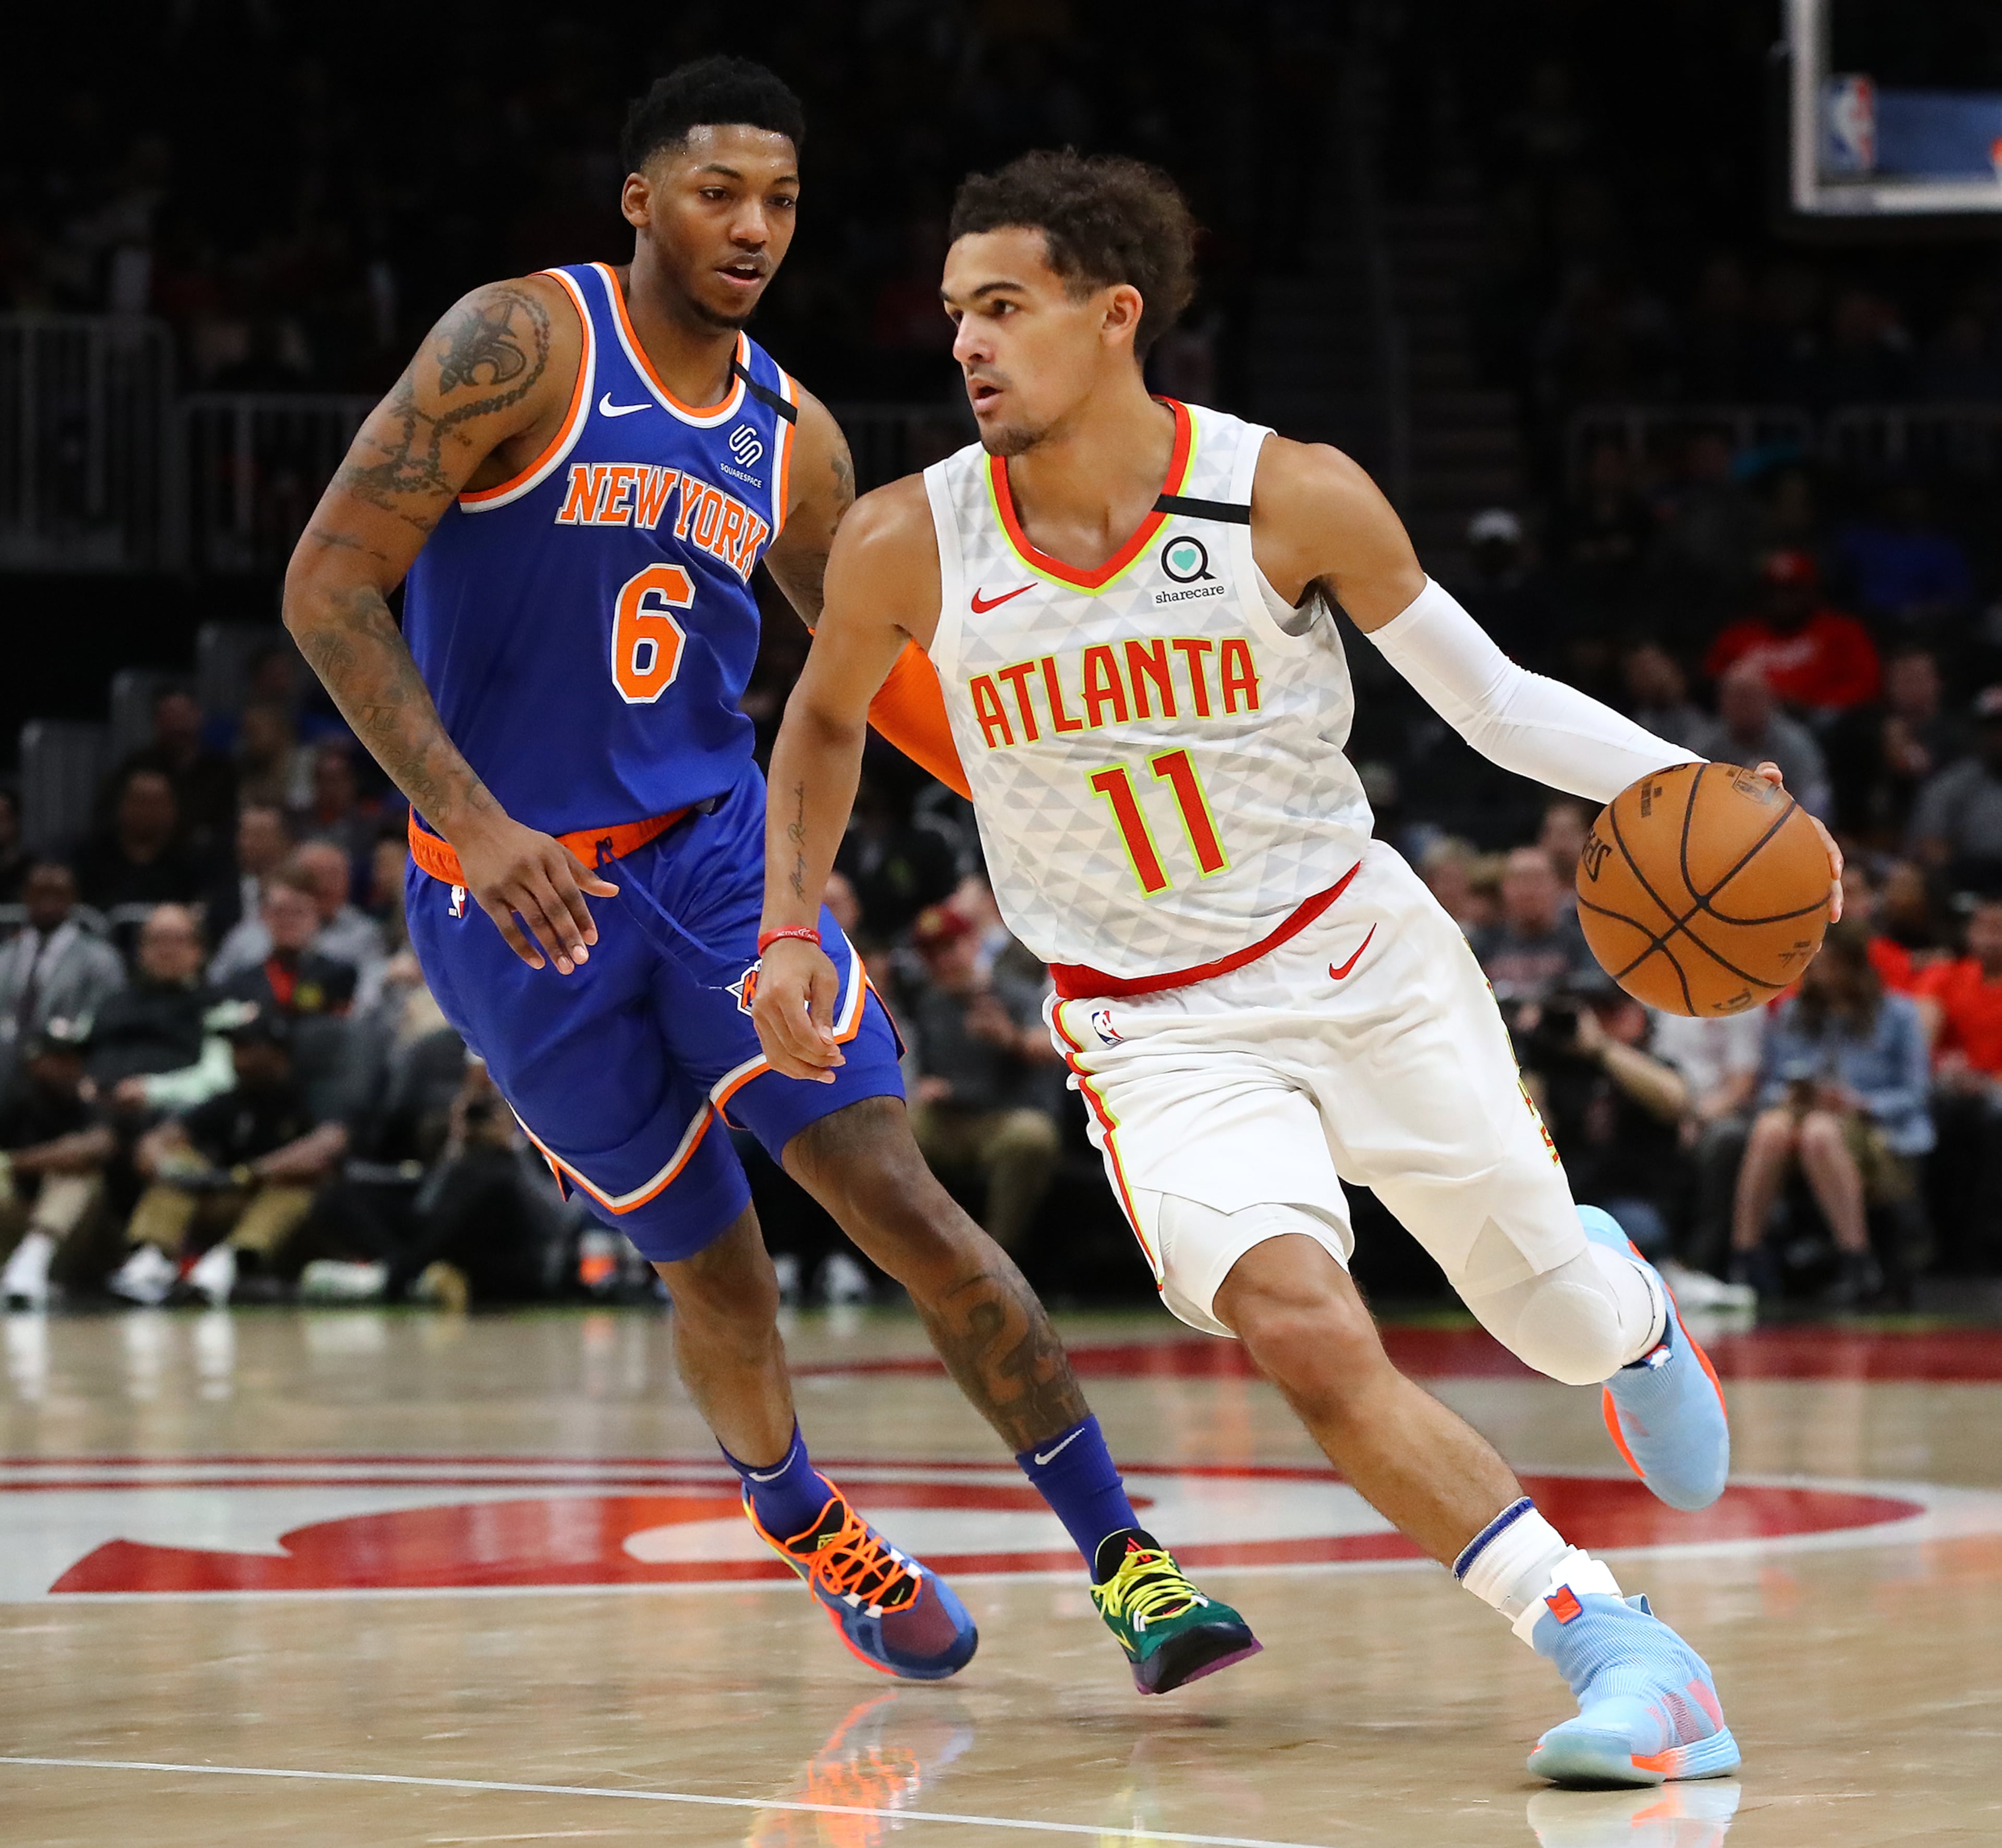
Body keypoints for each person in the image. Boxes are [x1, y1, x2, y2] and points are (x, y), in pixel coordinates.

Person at [753, 149, 1838, 1786]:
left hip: (1361, 960)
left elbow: (1491, 700)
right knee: (1302, 1326)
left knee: (1550, 1314)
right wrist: (786, 925)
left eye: (1005, 306)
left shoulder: (1287, 493)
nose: (965, 341)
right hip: (1149, 1027)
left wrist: (1692, 785)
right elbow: (826, 721)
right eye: (956, 310)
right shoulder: (911, 539)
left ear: (1113, 315)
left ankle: (1626, 1317)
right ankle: (1614, 1640)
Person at [280, 60, 1250, 1694]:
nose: (752, 226)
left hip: (718, 861)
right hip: (509, 901)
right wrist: (476, 818)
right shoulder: (519, 341)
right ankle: (804, 1515)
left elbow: (877, 663)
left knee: (898, 1196)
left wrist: (1054, 795)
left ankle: (1127, 1558)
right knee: (714, 1265)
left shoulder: (792, 440)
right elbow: (325, 585)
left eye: (781, 202)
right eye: (717, 191)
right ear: (640, 199)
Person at [1729, 922, 1932, 1307]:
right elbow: (1770, 1086)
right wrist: (1793, 1095)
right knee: (1771, 1128)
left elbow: (1916, 1094)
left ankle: (1856, 1258)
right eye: (1817, 967)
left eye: (1833, 966)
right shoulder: (1794, 1013)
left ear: (1856, 967)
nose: (1824, 976)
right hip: (1800, 1121)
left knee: (1819, 1132)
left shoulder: (1899, 1014)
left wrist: (1860, 1103)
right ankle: (1747, 1257)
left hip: (1873, 1129)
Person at [108, 1007, 351, 1308]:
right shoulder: (230, 1100)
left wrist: (254, 1172)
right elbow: (158, 1140)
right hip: (229, 1201)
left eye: (247, 1046)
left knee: (299, 1183)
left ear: (277, 1052)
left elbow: (329, 1145)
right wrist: (166, 1164)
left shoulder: (311, 1096)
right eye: (235, 1046)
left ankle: (232, 1263)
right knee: (182, 1165)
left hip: (301, 1225)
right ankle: (151, 1261)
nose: (238, 1057)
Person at [904, 900, 1063, 1255]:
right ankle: (922, 1253)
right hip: (951, 1118)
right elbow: (922, 1068)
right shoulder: (931, 1003)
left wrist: (1010, 1038)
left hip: (1005, 1116)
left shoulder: (1013, 993)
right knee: (899, 1129)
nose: (943, 961)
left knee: (1031, 1136)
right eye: (932, 954)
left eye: (950, 948)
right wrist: (925, 1088)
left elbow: (1054, 1047)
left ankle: (1000, 1254)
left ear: (973, 943)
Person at [0, 1024, 116, 1310]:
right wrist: (56, 1154)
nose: (71, 1068)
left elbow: (98, 1146)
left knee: (80, 1179)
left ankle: (31, 1265)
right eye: (61, 1059)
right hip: (12, 1218)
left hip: (66, 1239)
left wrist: (15, 1162)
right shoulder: (11, 1097)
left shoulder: (86, 1104)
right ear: (35, 1061)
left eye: (76, 1059)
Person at [1913, 896, 2002, 1271]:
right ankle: (1936, 1236)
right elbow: (1920, 1041)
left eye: (1999, 929)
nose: (1991, 939)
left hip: (1995, 1091)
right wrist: (1946, 1068)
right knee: (1937, 1109)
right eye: (1983, 928)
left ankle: (1984, 1238)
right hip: (1954, 1088)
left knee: (1992, 1115)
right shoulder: (1946, 976)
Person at [87, 903, 232, 1116]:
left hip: (175, 1114)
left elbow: (219, 1079)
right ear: (141, 950)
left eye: (177, 940)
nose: (166, 950)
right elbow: (82, 1052)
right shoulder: (112, 1004)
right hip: (98, 1108)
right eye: (157, 940)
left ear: (199, 950)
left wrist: (152, 1091)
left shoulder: (217, 1007)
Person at [1702, 550, 1879, 718]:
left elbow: (1867, 684)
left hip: (1822, 723)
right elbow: (1710, 684)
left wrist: (1813, 704)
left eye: (1792, 589)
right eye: (1774, 590)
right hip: (1749, 723)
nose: (1782, 599)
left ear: (1812, 591)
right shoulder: (1737, 636)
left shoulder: (1843, 632)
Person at [0, 862, 126, 1090]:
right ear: (25, 897)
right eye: (40, 893)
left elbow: (108, 1019)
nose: (48, 902)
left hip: (71, 1062)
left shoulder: (101, 959)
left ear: (73, 898)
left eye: (57, 894)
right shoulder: (5, 955)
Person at [1686, 660, 1832, 818]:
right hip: (1721, 819)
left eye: (1751, 696)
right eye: (1736, 697)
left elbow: (1810, 788)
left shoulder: (1793, 742)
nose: (1743, 705)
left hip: (1784, 819)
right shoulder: (1707, 743)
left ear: (1769, 699)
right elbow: (1690, 787)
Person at [216, 863, 358, 1019]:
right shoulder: (242, 984)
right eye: (280, 912)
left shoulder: (341, 978)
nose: (289, 921)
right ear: (265, 916)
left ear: (317, 916)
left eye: (298, 912)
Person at [71, 767, 209, 920]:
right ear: (121, 806)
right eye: (140, 802)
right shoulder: (90, 855)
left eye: (156, 804)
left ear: (173, 809)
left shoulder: (196, 859)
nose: (147, 811)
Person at [110, 687, 237, 852]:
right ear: (157, 722)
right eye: (170, 716)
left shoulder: (223, 769)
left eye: (183, 716)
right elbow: (111, 817)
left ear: (199, 716)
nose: (177, 725)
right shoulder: (138, 766)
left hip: (206, 857)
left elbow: (230, 825)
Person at [1472, 846, 1595, 1007]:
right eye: (1520, 881)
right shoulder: (1483, 944)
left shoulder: (1582, 943)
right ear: (1504, 888)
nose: (1528, 891)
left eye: (1537, 880)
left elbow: (1596, 987)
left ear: (1558, 886)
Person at [1909, 687, 2002, 895]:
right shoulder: (1953, 784)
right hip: (1971, 885)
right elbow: (1928, 845)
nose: (2000, 737)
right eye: (1994, 729)